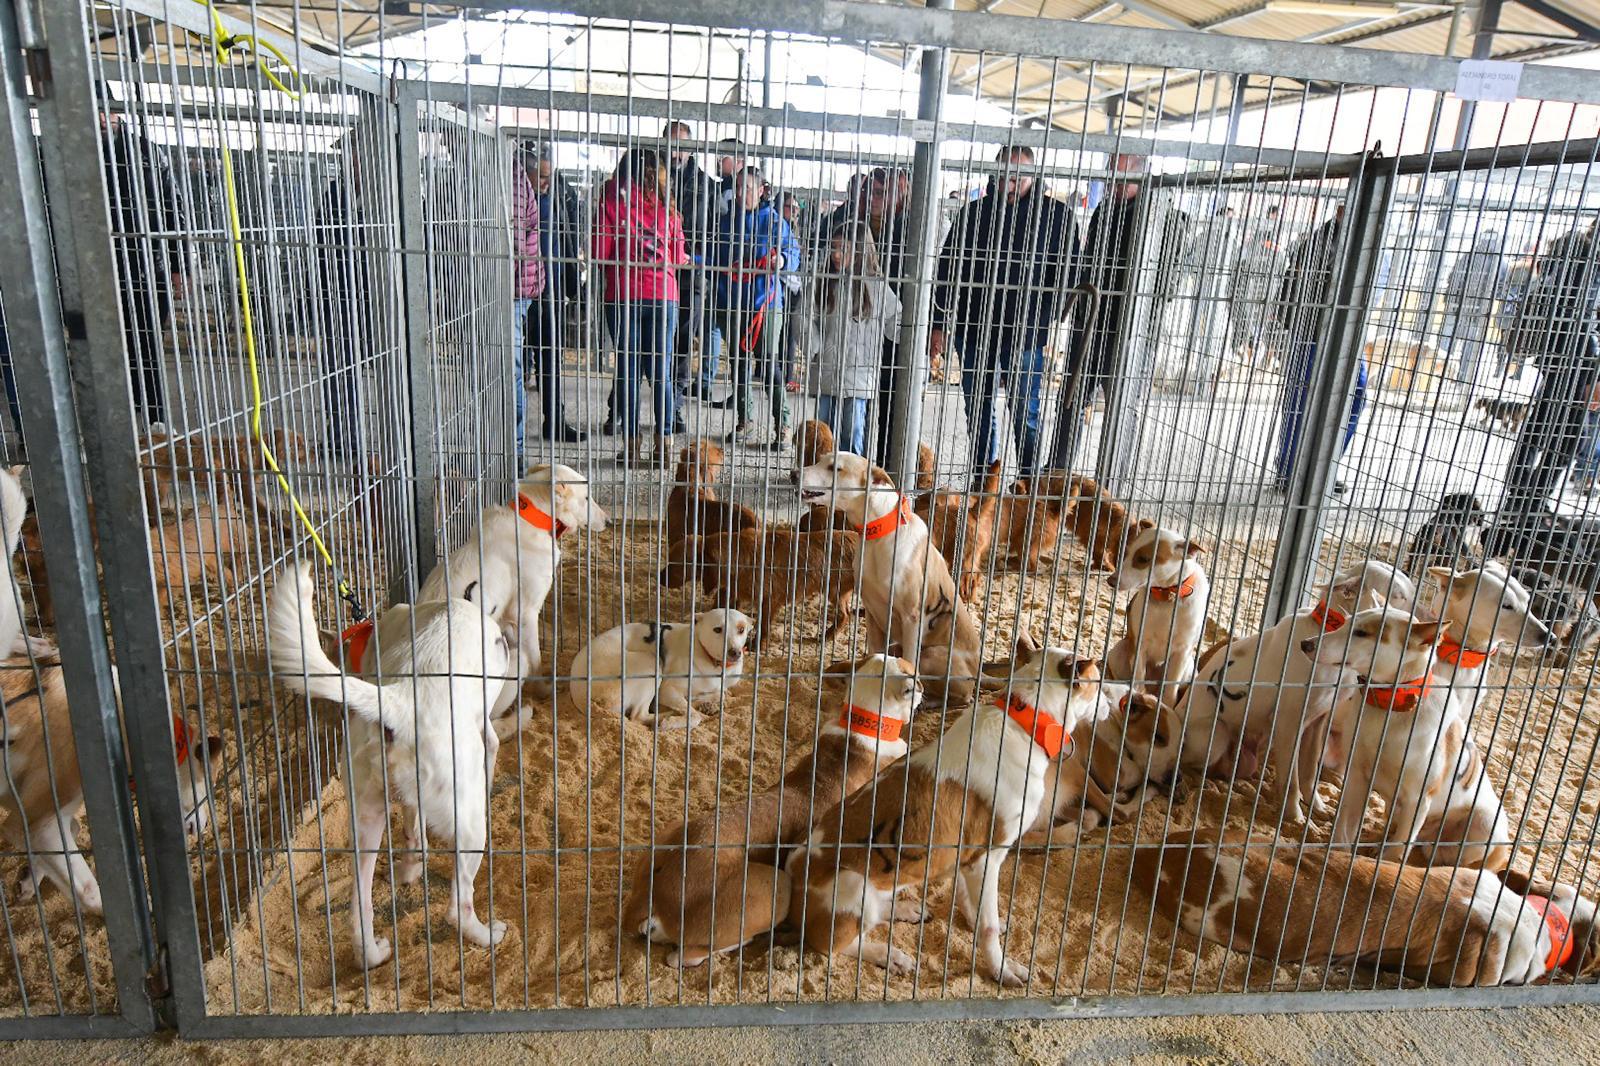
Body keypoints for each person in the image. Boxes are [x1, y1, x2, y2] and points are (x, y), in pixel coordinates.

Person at [934, 145, 1077, 481]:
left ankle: (1029, 483)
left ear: (1032, 173)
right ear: (994, 171)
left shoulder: (1056, 216)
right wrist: (940, 324)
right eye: (1005, 170)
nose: (1011, 178)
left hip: (1026, 332)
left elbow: (1070, 272)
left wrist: (1048, 314)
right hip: (973, 328)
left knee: (1025, 412)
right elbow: (947, 270)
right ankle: (986, 480)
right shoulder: (973, 213)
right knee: (978, 410)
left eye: (1020, 171)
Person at [591, 149, 687, 465]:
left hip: (624, 294)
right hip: (664, 295)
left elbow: (597, 249)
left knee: (629, 371)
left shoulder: (612, 199)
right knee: (662, 374)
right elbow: (678, 255)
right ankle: (666, 444)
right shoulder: (668, 204)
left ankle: (632, 445)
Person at [1502, 220, 1600, 516]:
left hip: (1555, 345)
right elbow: (1578, 308)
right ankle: (1528, 500)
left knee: (1545, 424)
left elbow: (1545, 276)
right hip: (1574, 348)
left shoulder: (1569, 245)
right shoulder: (1587, 256)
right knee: (1570, 433)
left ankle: (1522, 497)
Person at [1272, 204, 1366, 494]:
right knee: (1301, 403)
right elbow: (1297, 292)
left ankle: (1325, 467)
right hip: (1314, 333)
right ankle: (1290, 472)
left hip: (1350, 336)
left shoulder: (1367, 242)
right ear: (1341, 210)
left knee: (1354, 397)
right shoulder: (1317, 243)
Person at [710, 166, 801, 449]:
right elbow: (715, 256)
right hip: (732, 303)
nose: (741, 194)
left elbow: (793, 254)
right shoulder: (726, 223)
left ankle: (782, 424)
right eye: (737, 188)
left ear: (761, 190)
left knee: (770, 365)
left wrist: (782, 261)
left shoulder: (775, 223)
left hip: (766, 304)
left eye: (747, 188)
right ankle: (744, 420)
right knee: (739, 363)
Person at [104, 111, 185, 428]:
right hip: (97, 269)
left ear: (116, 113)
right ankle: (115, 423)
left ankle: (156, 420)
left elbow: (173, 210)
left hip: (148, 267)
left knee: (147, 344)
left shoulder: (148, 153)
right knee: (106, 349)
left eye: (102, 109)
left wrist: (180, 266)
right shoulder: (67, 150)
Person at [804, 221, 901, 455]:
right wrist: (813, 345)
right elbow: (802, 316)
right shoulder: (823, 280)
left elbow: (895, 320)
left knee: (853, 431)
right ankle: (822, 476)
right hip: (827, 370)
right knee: (823, 432)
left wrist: (912, 343)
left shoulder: (877, 287)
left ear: (860, 251)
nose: (836, 254)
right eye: (834, 247)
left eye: (843, 248)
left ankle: (852, 480)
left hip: (861, 375)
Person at [664, 121, 724, 416]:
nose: (677, 152)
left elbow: (716, 233)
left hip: (692, 277)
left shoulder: (706, 186)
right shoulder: (649, 178)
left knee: (684, 344)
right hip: (655, 274)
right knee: (644, 345)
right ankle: (622, 408)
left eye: (682, 146)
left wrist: (698, 258)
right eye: (672, 145)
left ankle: (673, 406)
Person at [528, 150, 586, 443]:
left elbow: (570, 239)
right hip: (518, 289)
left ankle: (555, 420)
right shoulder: (515, 194)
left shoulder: (562, 192)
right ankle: (510, 424)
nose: (546, 183)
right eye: (540, 177)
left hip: (551, 286)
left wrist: (572, 283)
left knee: (550, 357)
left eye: (549, 176)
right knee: (519, 361)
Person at [509, 148, 548, 461]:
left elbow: (516, 246)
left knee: (509, 372)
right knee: (510, 370)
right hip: (521, 286)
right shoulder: (516, 176)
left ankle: (515, 457)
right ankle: (512, 454)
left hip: (511, 289)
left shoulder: (509, 175)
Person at [1440, 231, 1508, 390]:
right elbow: (1501, 287)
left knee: (1445, 344)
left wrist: (1451, 298)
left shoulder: (1468, 256)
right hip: (1478, 311)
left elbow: (1453, 277)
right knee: (1469, 348)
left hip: (1456, 305)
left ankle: (1438, 376)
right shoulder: (1501, 262)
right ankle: (1462, 381)